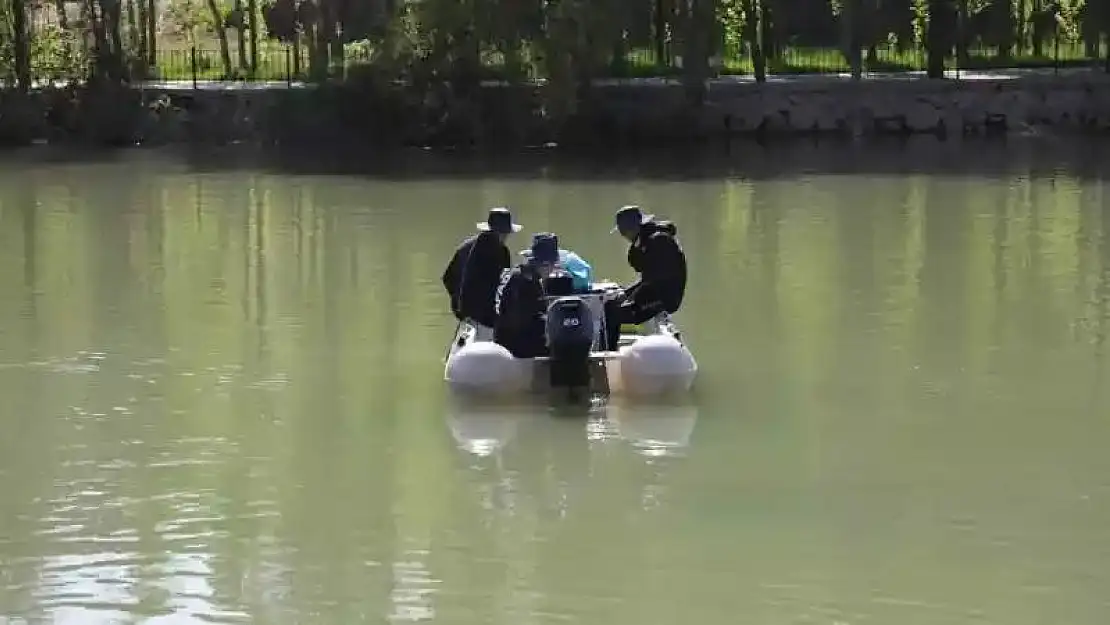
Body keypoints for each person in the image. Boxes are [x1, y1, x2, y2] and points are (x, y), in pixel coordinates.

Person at [603, 205, 687, 351]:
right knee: (609, 305)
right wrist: (626, 293)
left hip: (665, 299)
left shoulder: (659, 241)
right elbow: (646, 275)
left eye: (623, 231)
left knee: (613, 315)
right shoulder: (644, 241)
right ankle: (608, 347)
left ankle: (609, 354)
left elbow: (653, 278)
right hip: (652, 293)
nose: (623, 235)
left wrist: (627, 294)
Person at [441, 207, 522, 330]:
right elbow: (501, 285)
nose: (505, 237)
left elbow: (448, 278)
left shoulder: (465, 247)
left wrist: (458, 305)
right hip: (482, 315)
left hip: (465, 313)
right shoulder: (501, 252)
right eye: (503, 233)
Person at [494, 233, 560, 358]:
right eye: (553, 265)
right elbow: (525, 321)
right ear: (545, 264)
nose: (553, 270)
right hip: (515, 346)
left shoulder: (517, 273)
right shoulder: (528, 283)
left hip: (502, 339)